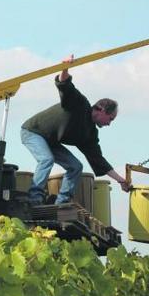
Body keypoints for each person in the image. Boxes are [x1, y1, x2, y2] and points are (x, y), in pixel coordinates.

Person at [20, 54, 130, 205]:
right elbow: (64, 84)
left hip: (51, 141)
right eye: (110, 118)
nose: (109, 124)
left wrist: (121, 180)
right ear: (101, 109)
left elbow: (99, 160)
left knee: (75, 166)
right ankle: (34, 198)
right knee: (46, 159)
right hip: (33, 132)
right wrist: (64, 66)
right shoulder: (79, 104)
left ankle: (62, 203)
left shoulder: (89, 133)